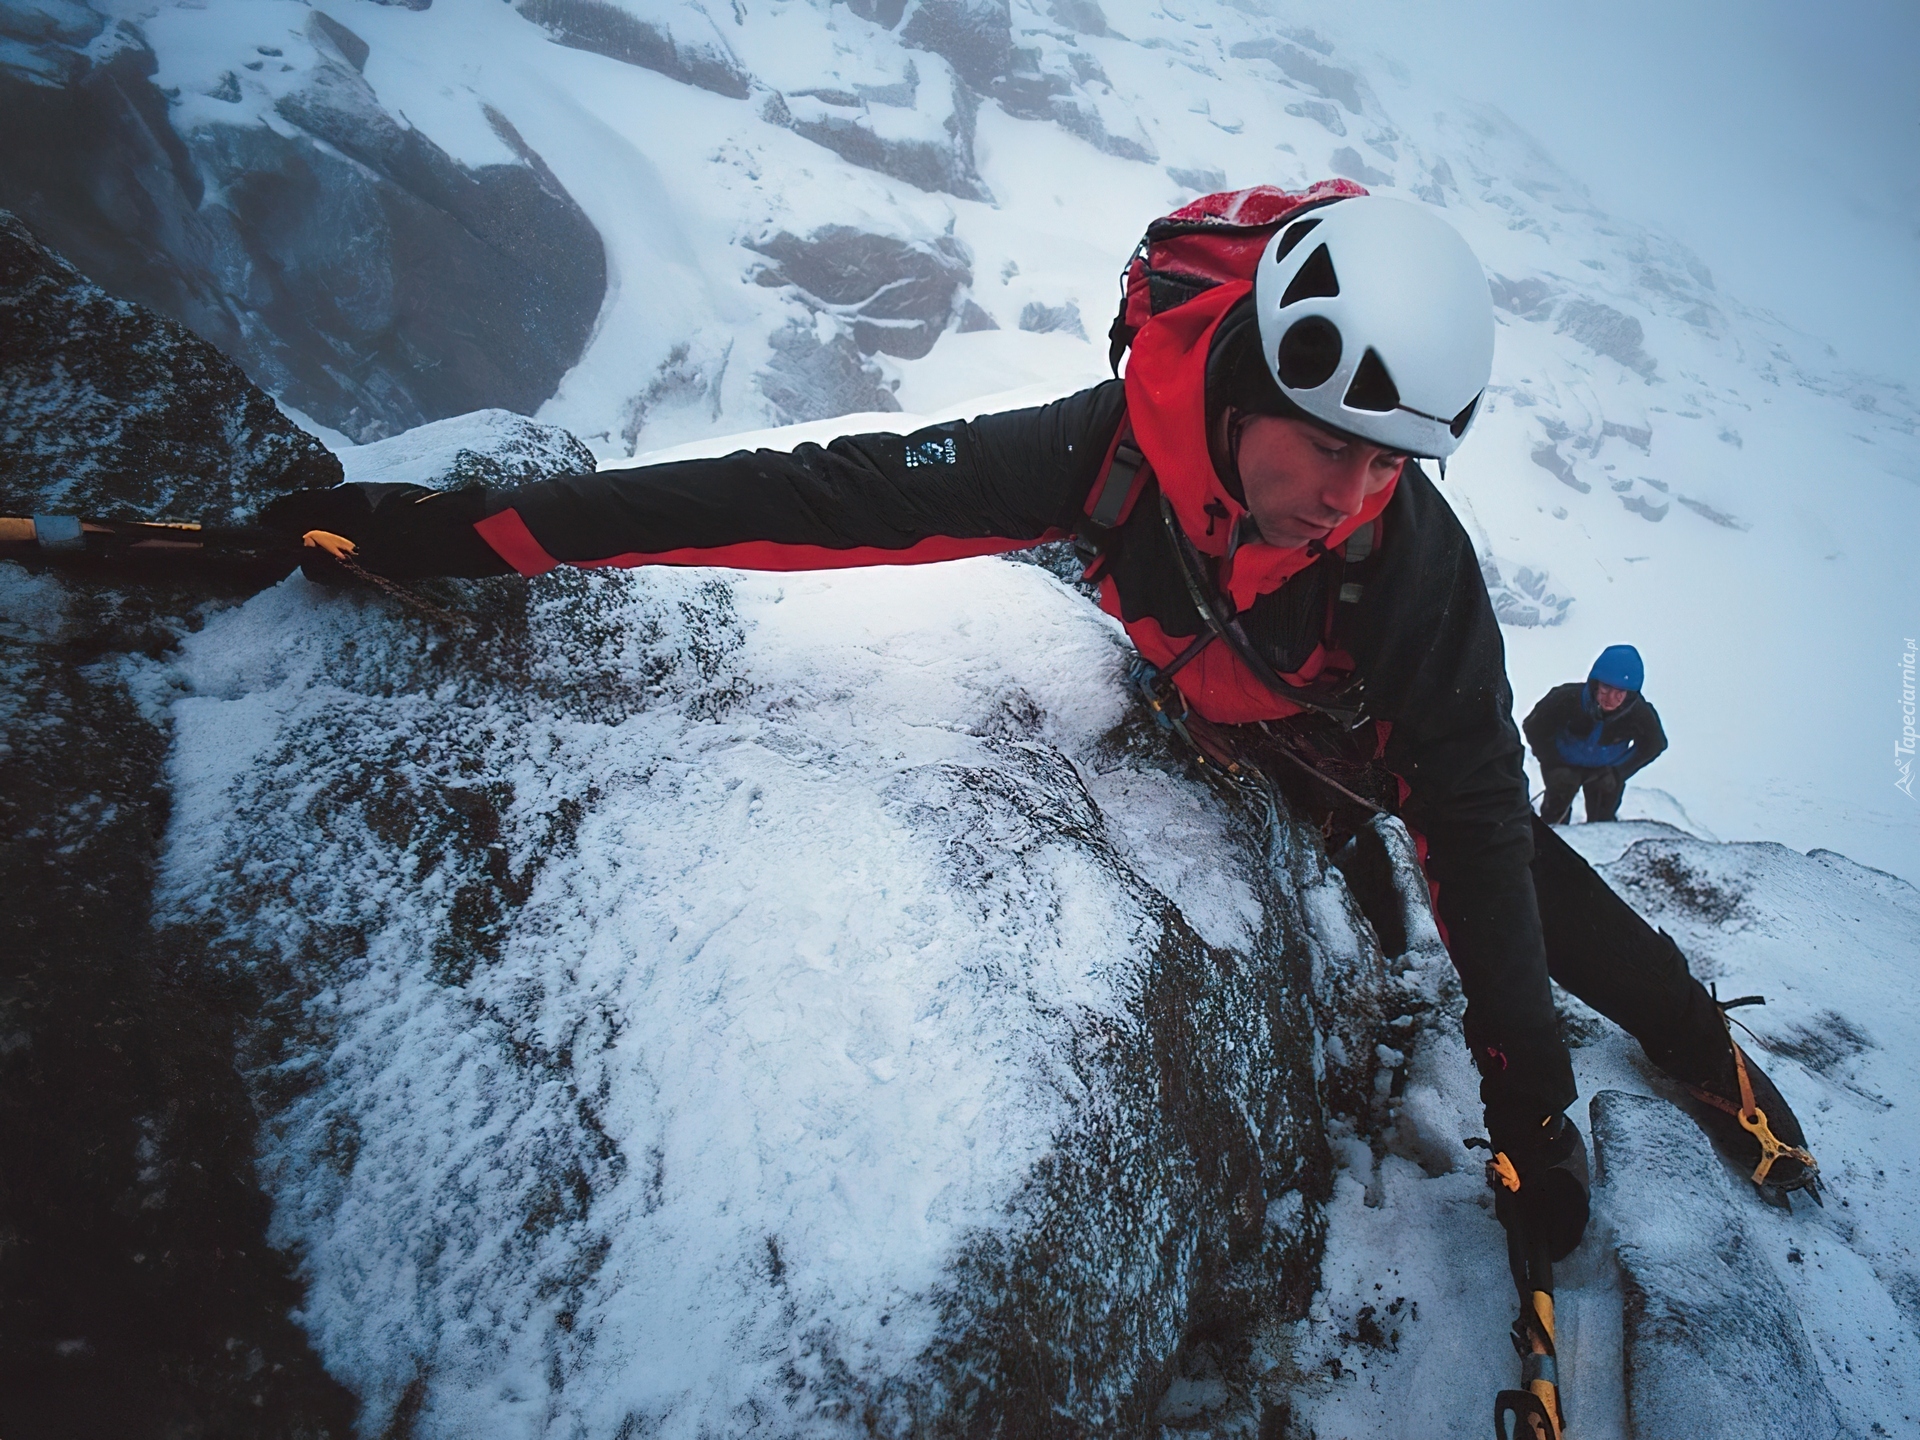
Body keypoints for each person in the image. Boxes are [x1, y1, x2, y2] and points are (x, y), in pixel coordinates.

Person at [261, 191, 1817, 1252]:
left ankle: (1702, 1051)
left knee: (1524, 877)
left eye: (1393, 465)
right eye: (1333, 450)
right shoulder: (1108, 446)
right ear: (1256, 378)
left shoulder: (1412, 578)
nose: (1355, 498)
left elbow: (1476, 837)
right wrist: (468, 535)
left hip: (1342, 742)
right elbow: (823, 500)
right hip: (1233, 705)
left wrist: (1532, 1115)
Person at [1524, 646, 1668, 824]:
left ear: (1630, 694)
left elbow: (1655, 744)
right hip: (1563, 765)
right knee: (1554, 815)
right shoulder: (1565, 699)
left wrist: (1618, 771)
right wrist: (1553, 762)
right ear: (1595, 684)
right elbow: (1534, 727)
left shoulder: (1639, 714)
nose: (1610, 698)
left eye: (1620, 693)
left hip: (1605, 772)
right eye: (1606, 687)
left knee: (1602, 820)